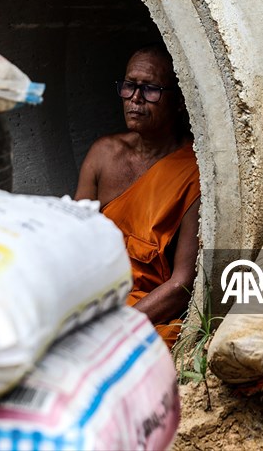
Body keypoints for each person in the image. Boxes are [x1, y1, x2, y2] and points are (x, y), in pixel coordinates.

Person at [75, 44, 200, 348]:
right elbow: (72, 242)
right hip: (91, 293)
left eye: (151, 90)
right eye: (129, 86)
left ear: (179, 100)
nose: (135, 98)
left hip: (144, 308)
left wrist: (117, 326)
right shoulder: (103, 154)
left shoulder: (193, 171)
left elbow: (182, 283)